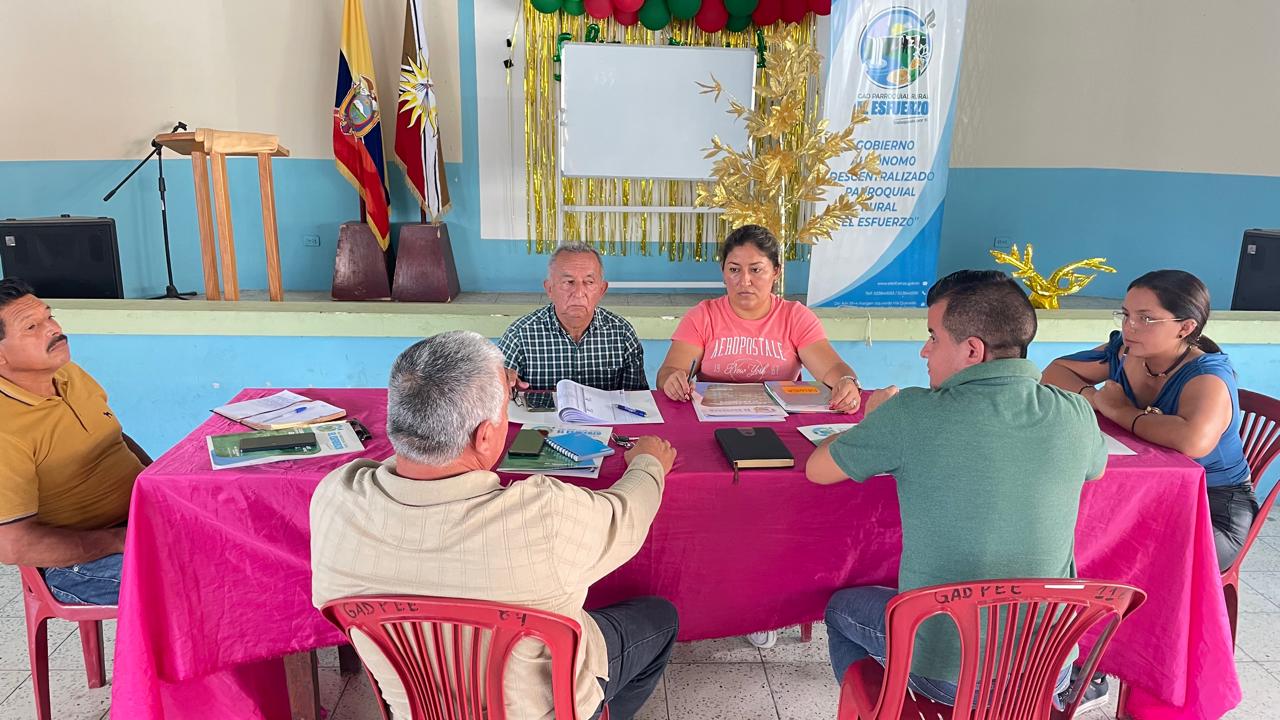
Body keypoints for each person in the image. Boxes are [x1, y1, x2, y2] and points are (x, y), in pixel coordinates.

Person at [311, 330, 678, 720]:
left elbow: (388, 468)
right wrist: (648, 463)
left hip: (413, 710)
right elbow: (627, 515)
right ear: (485, 436)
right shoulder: (543, 515)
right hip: (540, 711)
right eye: (506, 408)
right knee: (660, 617)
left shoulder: (334, 499)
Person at [805, 270, 1108, 711]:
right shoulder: (1075, 413)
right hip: (1050, 666)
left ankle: (887, 709)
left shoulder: (910, 413)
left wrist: (874, 420)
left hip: (949, 671)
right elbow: (1096, 469)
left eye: (933, 337)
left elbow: (818, 470)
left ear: (972, 350)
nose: (924, 350)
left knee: (840, 610)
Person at [1042, 269, 1256, 572]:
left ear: (1185, 327)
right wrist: (1095, 397)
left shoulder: (1207, 375)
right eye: (1126, 315)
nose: (1130, 327)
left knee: (1128, 554)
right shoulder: (1124, 352)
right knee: (1073, 533)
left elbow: (1192, 441)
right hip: (1152, 495)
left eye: (1146, 318)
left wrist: (1118, 410)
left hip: (1213, 509)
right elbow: (1055, 372)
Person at [0, 277, 150, 605]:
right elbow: (13, 544)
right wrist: (118, 540)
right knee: (206, 575)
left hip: (139, 521)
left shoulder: (67, 373)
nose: (54, 329)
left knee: (251, 534)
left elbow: (114, 437)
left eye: (49, 316)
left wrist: (160, 483)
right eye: (32, 327)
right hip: (79, 561)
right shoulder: (5, 428)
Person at [656, 225, 862, 413]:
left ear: (776, 272)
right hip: (713, 417)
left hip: (782, 421)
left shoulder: (795, 317)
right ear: (723, 272)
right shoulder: (702, 316)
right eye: (734, 270)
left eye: (756, 270)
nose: (744, 280)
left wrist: (846, 382)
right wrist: (672, 381)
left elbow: (832, 369)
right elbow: (669, 372)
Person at [498, 242, 647, 394]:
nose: (578, 293)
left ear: (602, 290)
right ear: (549, 289)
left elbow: (638, 399)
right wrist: (504, 384)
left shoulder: (622, 333)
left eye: (589, 282)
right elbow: (496, 392)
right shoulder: (519, 335)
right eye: (568, 282)